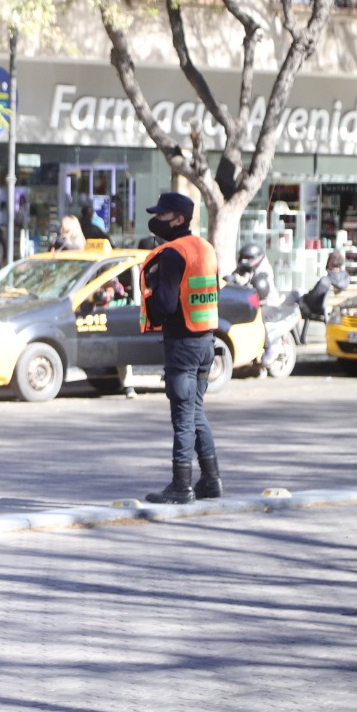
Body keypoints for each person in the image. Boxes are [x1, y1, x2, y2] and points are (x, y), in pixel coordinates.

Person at [139, 191, 222, 504]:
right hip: (205, 342)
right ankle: (211, 481)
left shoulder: (173, 254)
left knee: (183, 417)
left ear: (178, 219)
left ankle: (181, 486)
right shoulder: (205, 248)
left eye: (161, 216)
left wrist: (155, 290)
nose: (156, 220)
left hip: (182, 343)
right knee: (196, 412)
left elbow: (166, 303)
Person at [298, 251, 349, 319]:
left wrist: (303, 297)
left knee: (296, 293)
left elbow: (312, 298)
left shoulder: (325, 281)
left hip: (316, 309)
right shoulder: (346, 278)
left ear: (330, 262)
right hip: (336, 308)